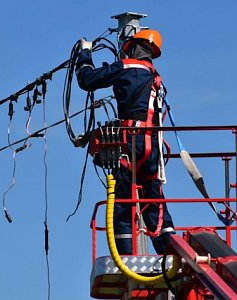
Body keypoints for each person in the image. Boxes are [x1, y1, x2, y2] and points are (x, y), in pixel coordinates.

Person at [75, 30, 175, 255]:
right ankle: (170, 251)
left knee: (123, 203)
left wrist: (85, 53)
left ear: (130, 48)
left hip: (130, 144)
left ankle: (127, 257)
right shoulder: (155, 78)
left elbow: (86, 80)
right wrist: (92, 136)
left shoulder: (126, 68)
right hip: (152, 148)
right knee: (154, 201)